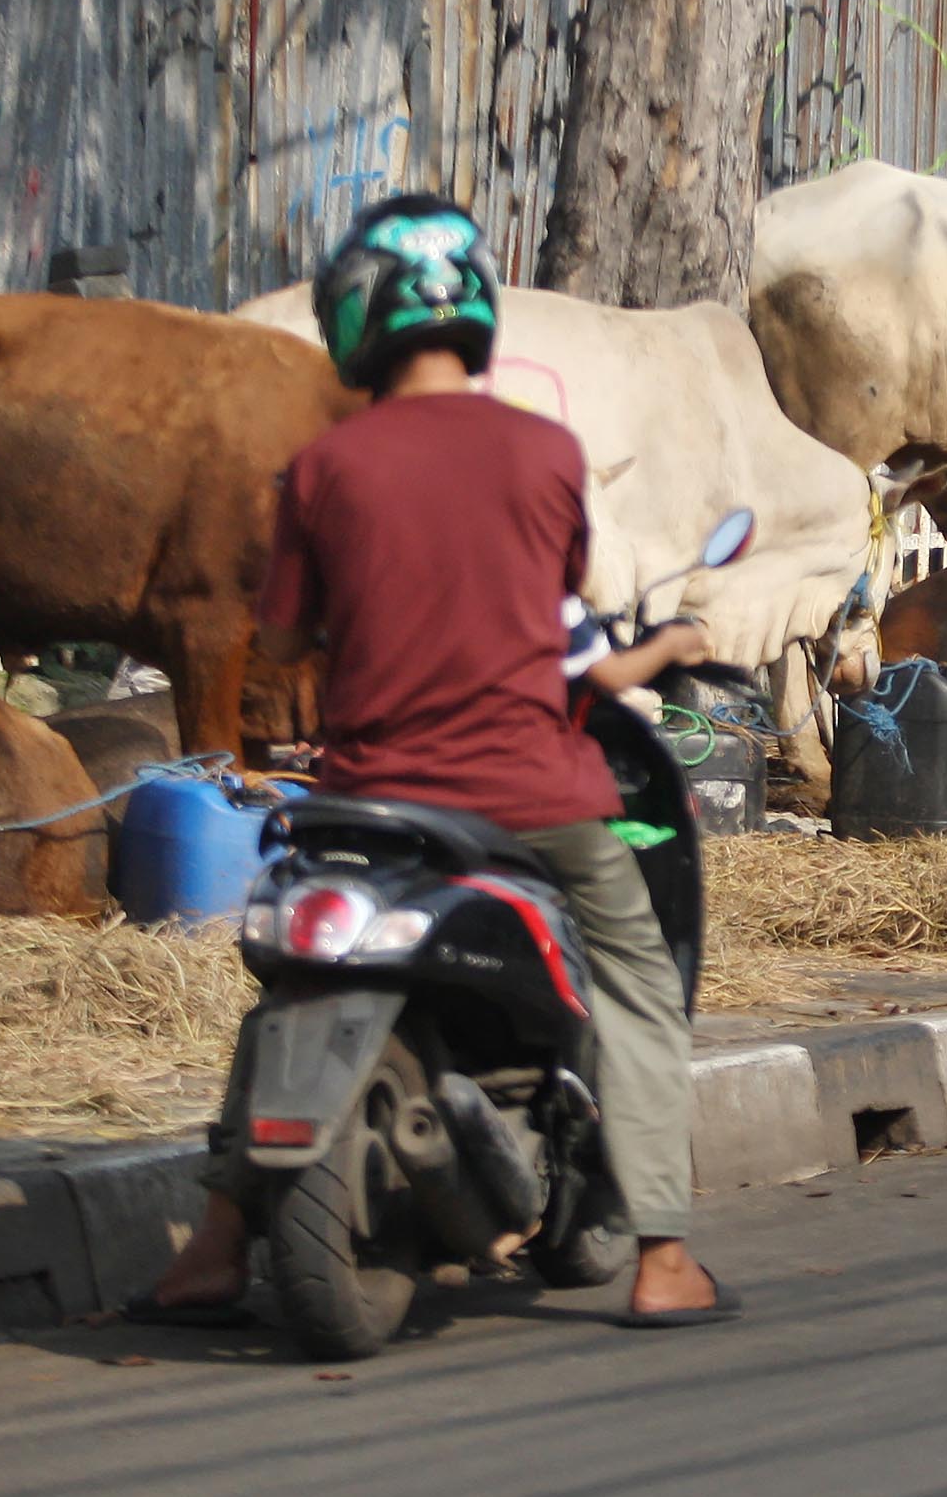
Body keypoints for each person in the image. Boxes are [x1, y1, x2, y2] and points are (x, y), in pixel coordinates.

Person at [134, 195, 740, 1332]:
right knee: (638, 983)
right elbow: (559, 619)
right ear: (474, 309)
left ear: (357, 318)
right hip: (532, 798)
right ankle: (661, 1256)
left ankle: (214, 1243)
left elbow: (277, 641)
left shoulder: (322, 470)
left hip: (363, 806)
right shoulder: (548, 453)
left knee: (284, 985)